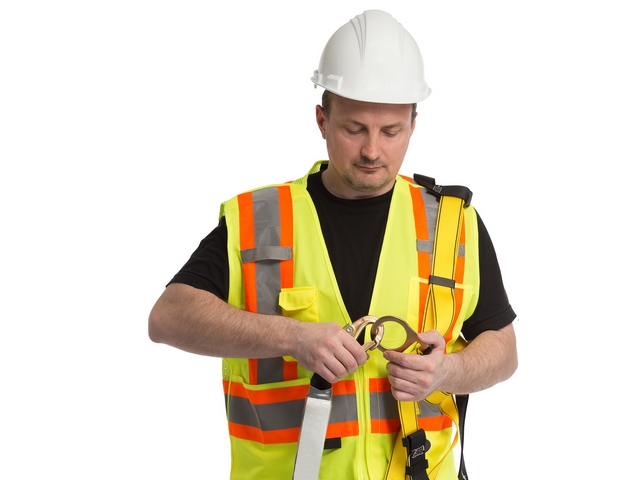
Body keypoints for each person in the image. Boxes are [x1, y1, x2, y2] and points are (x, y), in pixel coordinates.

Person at [149, 9, 517, 480]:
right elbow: (168, 317)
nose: (372, 151)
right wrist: (290, 338)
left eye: (391, 131)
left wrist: (447, 373)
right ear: (322, 120)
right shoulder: (260, 220)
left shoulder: (452, 222)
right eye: (354, 129)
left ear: (413, 124)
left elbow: (503, 349)